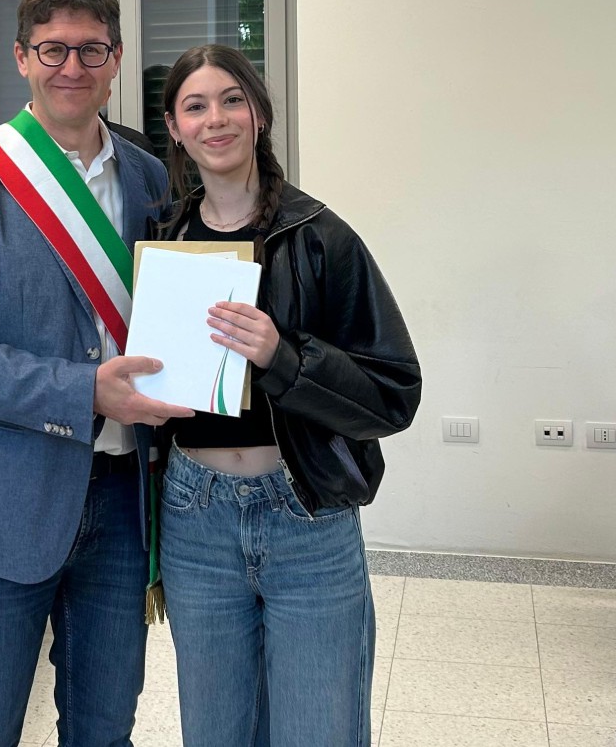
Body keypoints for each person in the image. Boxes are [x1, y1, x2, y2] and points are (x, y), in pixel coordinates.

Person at [0, 0, 191, 747]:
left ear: (117, 58)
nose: (73, 67)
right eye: (53, 49)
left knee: (104, 729)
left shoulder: (149, 176)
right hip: (2, 499)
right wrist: (84, 390)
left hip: (124, 501)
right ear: (21, 56)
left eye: (91, 49)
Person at [154, 44, 420, 747]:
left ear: (261, 114)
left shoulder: (322, 237)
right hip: (194, 515)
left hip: (304, 511)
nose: (216, 119)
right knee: (215, 730)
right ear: (175, 128)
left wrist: (284, 357)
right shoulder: (160, 237)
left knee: (318, 728)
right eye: (195, 106)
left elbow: (393, 393)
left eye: (232, 100)